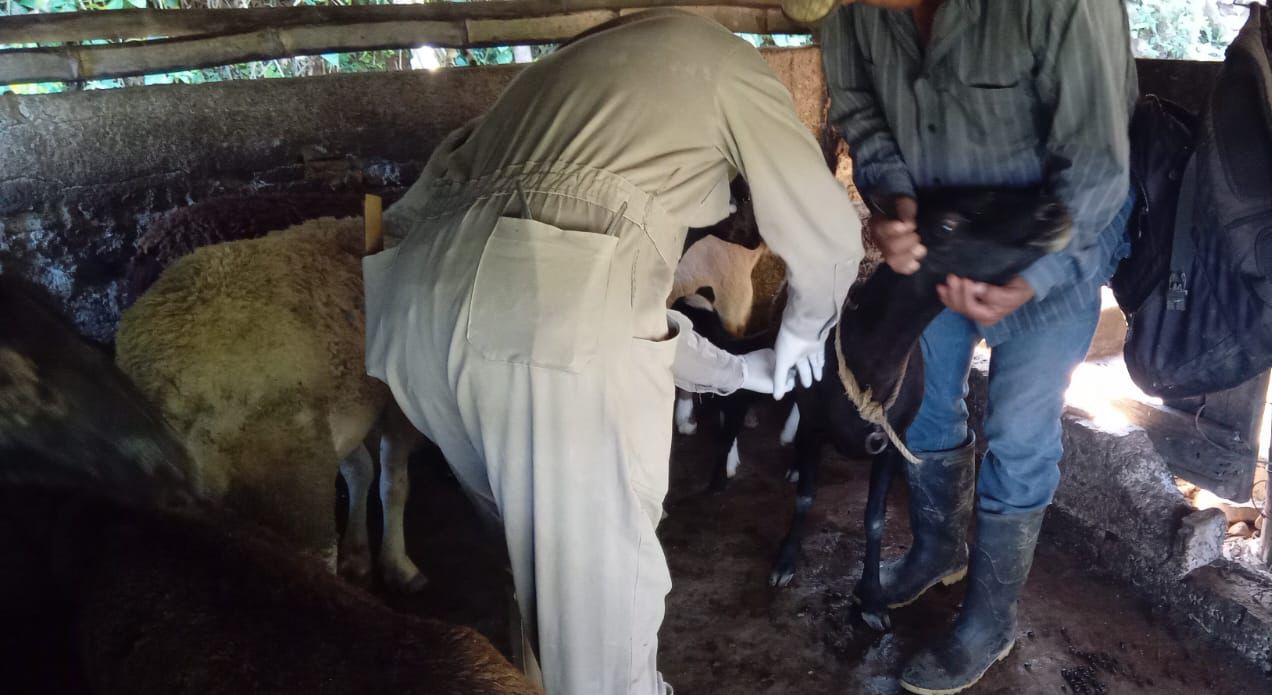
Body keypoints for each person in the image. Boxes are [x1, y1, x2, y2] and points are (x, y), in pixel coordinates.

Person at [361, 10, 863, 695]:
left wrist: (744, 368)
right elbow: (830, 237)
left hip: (415, 318)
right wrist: (806, 323)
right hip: (536, 328)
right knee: (601, 635)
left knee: (534, 567)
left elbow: (619, 323)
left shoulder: (553, 81)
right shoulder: (725, 61)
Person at [814, 0, 1138, 692]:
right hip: (936, 239)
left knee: (1019, 436)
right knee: (928, 407)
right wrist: (893, 202)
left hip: (1049, 252)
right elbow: (863, 112)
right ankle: (938, 552)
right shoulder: (847, 10)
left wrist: (1034, 277)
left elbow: (1098, 168)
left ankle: (990, 619)